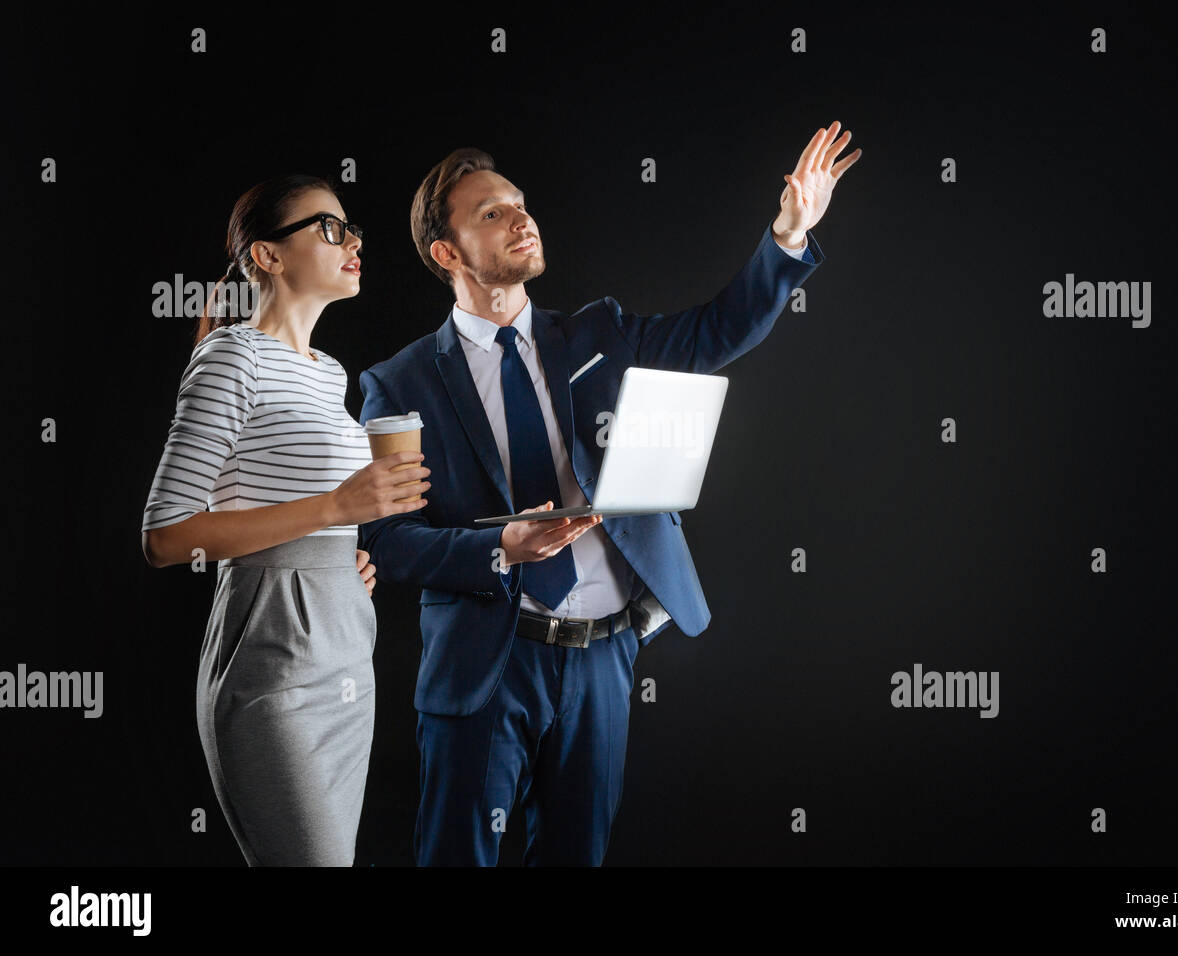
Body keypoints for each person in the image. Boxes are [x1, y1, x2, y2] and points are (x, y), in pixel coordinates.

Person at [359, 122, 860, 865]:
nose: (521, 218)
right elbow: (385, 542)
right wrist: (498, 546)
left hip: (602, 661)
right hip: (487, 667)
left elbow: (715, 333)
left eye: (520, 204)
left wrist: (788, 234)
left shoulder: (601, 334)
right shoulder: (397, 384)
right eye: (491, 213)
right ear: (447, 252)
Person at [140, 174, 432, 866]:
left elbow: (300, 514)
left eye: (351, 226)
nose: (352, 239)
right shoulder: (231, 356)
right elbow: (165, 535)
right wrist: (336, 510)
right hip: (269, 660)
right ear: (268, 257)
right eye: (328, 228)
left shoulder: (330, 374)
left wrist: (339, 558)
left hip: (345, 649)